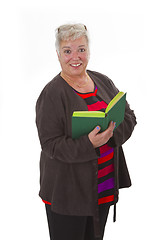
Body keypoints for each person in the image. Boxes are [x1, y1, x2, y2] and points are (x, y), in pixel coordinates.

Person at [35, 23, 137, 240]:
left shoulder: (103, 80)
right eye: (67, 51)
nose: (75, 57)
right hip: (68, 194)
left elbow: (129, 116)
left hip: (102, 188)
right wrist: (89, 144)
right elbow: (50, 145)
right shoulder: (52, 94)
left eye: (81, 49)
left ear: (88, 51)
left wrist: (110, 132)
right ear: (58, 54)